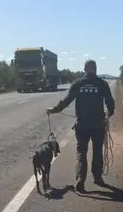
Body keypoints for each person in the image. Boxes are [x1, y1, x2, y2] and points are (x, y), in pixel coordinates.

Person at [46, 59, 115, 193]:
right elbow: (110, 102)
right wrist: (109, 114)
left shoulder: (78, 83)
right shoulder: (102, 84)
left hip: (82, 124)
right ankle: (98, 178)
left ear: (84, 69)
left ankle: (80, 179)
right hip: (98, 124)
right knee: (97, 151)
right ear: (95, 69)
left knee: (81, 152)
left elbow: (66, 100)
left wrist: (54, 110)